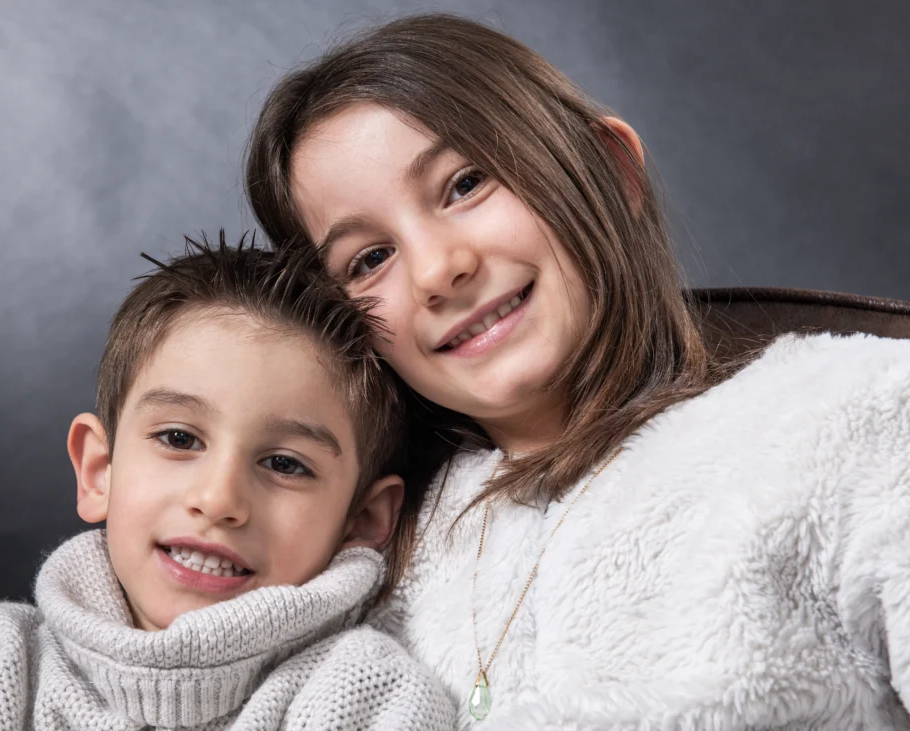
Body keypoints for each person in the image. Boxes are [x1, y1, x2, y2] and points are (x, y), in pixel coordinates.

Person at [244, 13, 910, 730]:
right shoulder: (374, 547)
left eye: (465, 184)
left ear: (612, 170)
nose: (439, 270)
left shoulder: (858, 416)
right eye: (368, 260)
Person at [0, 234, 455, 730]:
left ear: (362, 521)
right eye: (180, 439)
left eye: (285, 464)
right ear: (99, 471)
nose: (218, 500)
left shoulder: (368, 700)